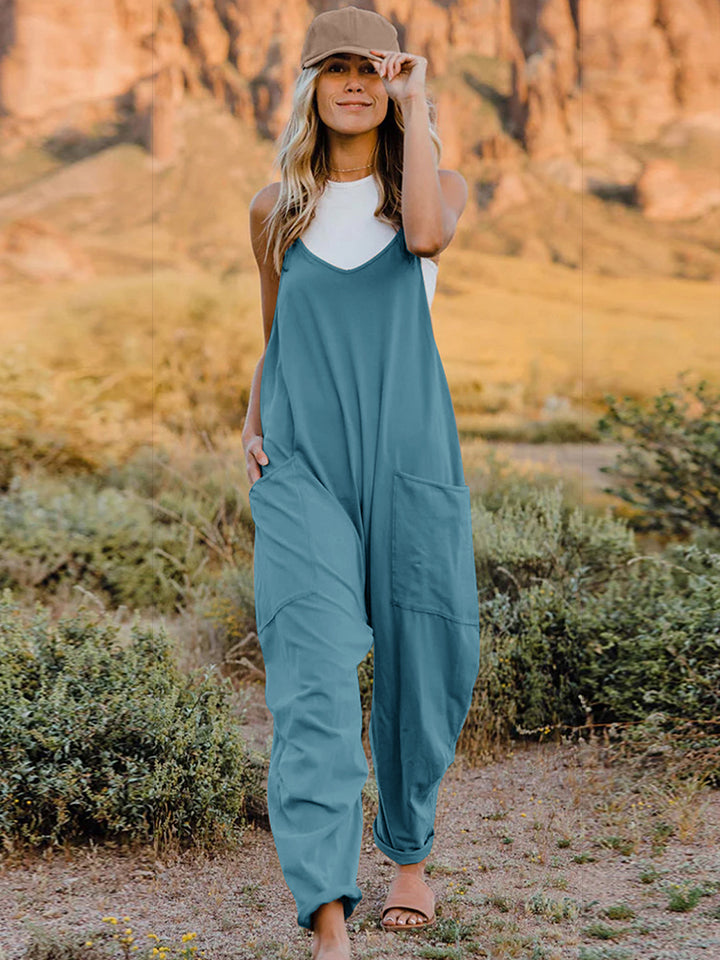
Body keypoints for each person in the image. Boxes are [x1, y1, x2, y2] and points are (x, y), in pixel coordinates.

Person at [241, 7, 480, 959]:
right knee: (311, 676)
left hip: (410, 451)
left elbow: (424, 237)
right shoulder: (275, 208)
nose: (353, 83)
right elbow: (273, 334)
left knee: (427, 660)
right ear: (308, 85)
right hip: (302, 463)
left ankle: (409, 855)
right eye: (332, 68)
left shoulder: (435, 185)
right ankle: (328, 916)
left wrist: (417, 105)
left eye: (370, 69)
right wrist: (252, 424)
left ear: (393, 81)